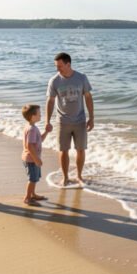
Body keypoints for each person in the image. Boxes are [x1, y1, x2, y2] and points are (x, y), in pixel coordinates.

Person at [45, 52, 94, 186]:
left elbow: (88, 98)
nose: (57, 69)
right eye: (56, 66)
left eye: (60, 66)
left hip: (80, 120)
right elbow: (50, 101)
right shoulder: (54, 81)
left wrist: (92, 118)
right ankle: (65, 177)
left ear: (68, 64)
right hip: (62, 121)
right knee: (63, 150)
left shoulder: (81, 78)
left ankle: (79, 176)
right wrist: (47, 121)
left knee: (80, 149)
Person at [21, 104, 50, 205]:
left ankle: (32, 194)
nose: (41, 115)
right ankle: (27, 198)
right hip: (31, 158)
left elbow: (39, 140)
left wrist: (46, 132)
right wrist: (36, 159)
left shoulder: (31, 127)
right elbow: (29, 146)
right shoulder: (32, 129)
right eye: (39, 114)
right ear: (32, 116)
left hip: (31, 158)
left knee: (35, 178)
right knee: (32, 179)